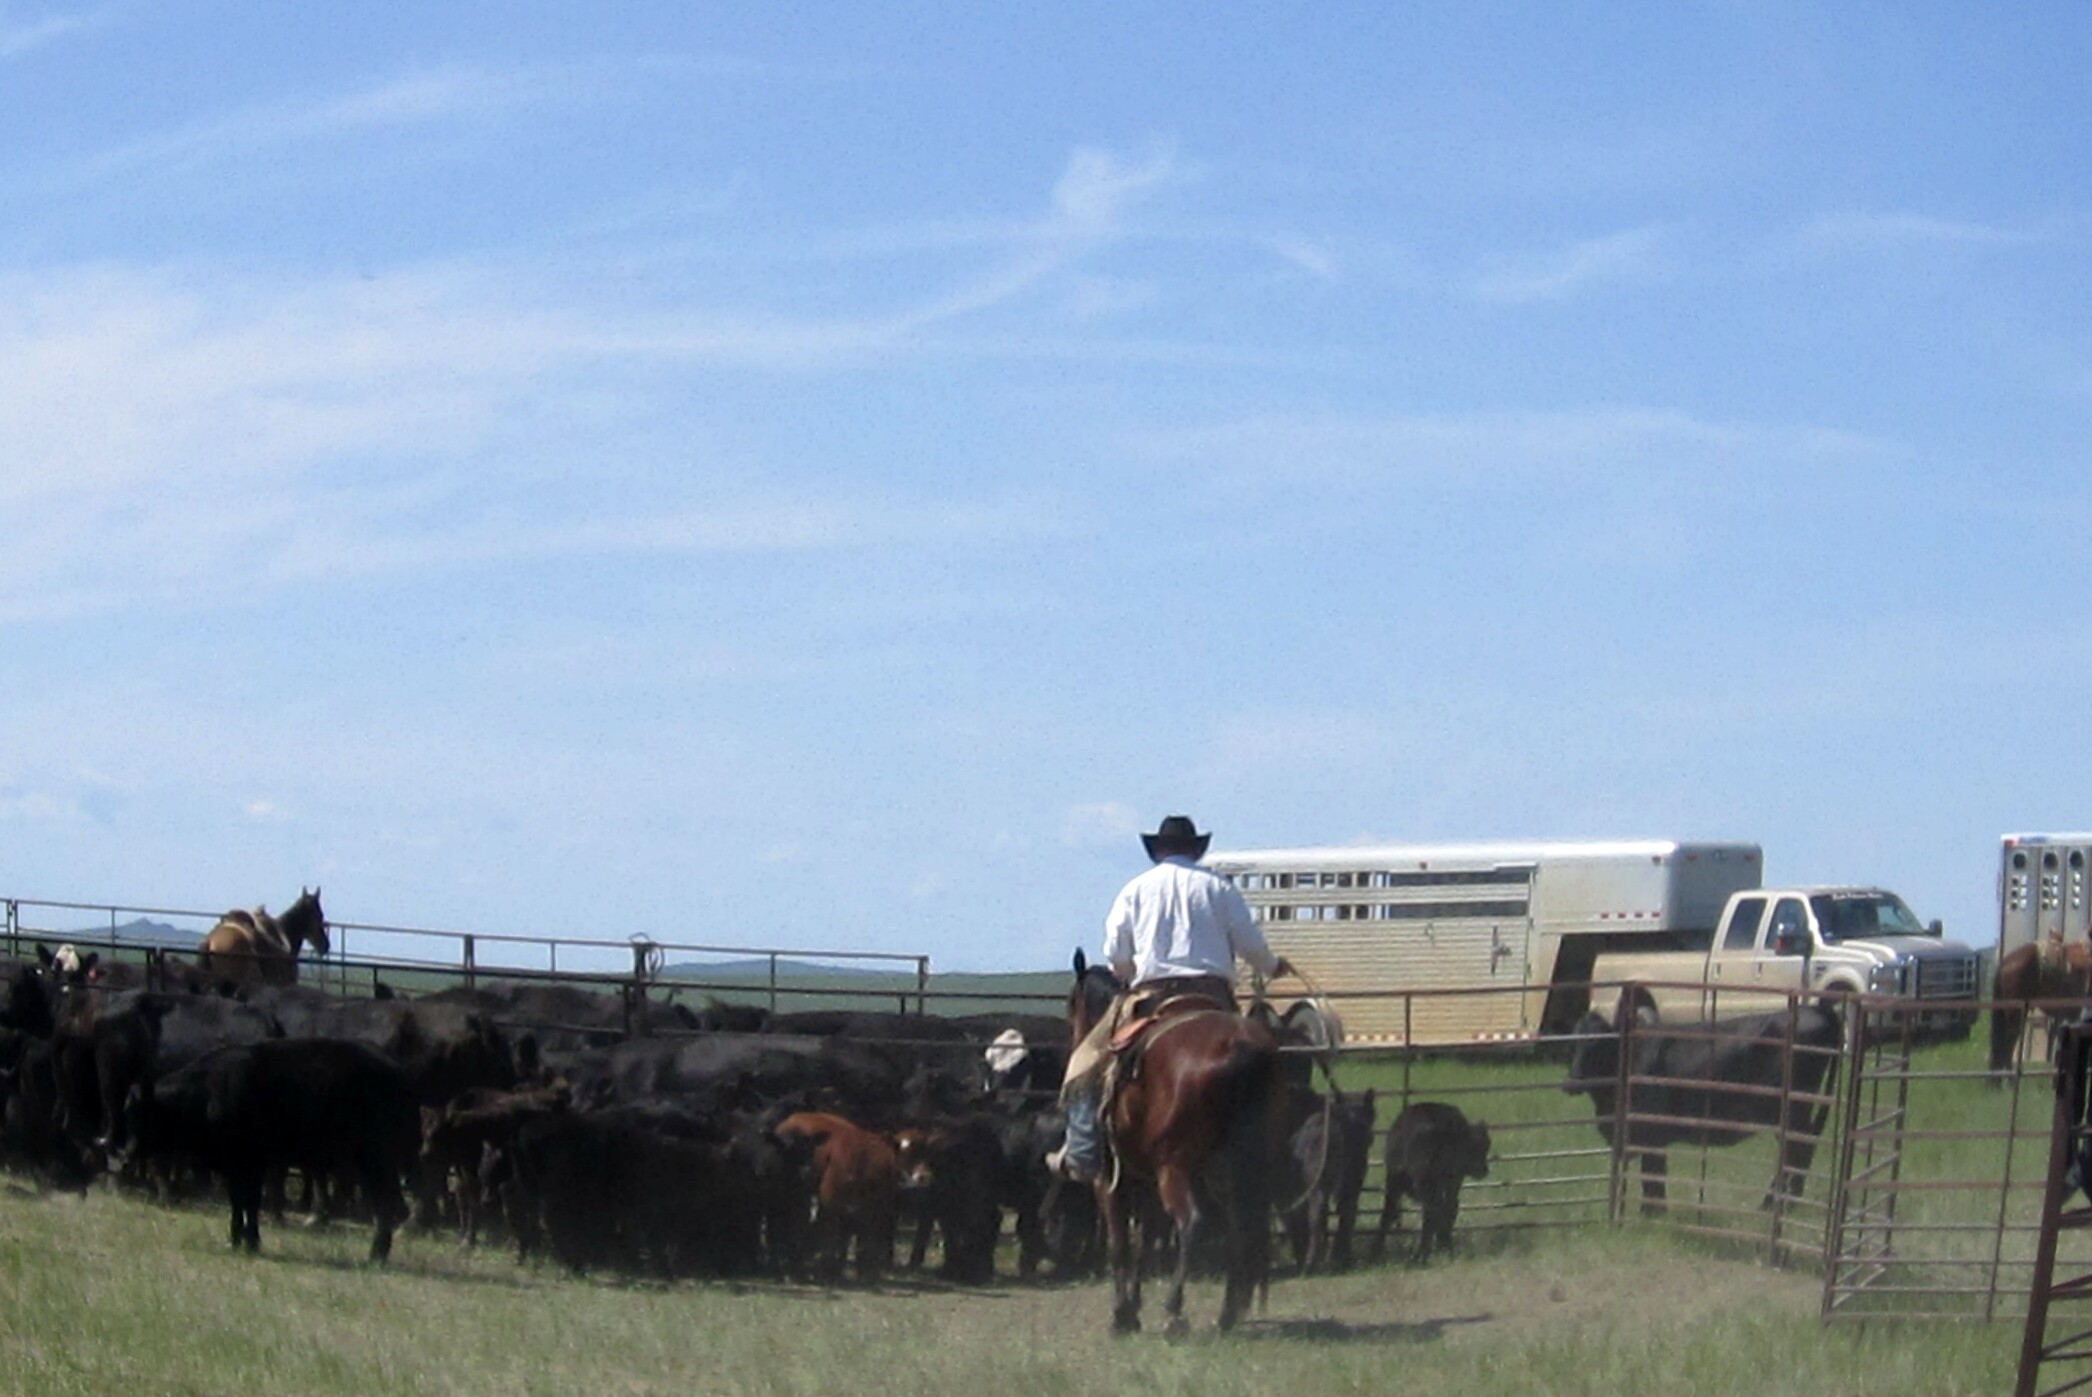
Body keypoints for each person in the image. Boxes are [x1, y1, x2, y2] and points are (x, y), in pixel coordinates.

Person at [1044, 813, 1292, 1183]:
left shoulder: (1135, 890)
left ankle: (1082, 1151)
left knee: (1087, 1062)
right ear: (1195, 850)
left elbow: (1116, 952)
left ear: (1158, 850)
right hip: (1214, 996)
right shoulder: (1219, 888)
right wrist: (1272, 967)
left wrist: (1125, 971)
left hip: (1154, 997)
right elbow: (1250, 943)